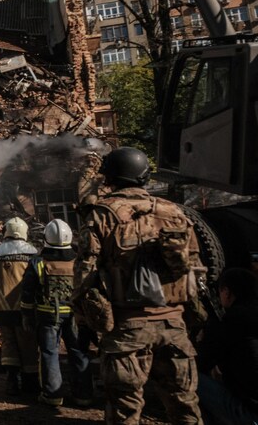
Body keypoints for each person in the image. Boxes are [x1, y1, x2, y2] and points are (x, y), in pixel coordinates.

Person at [75, 146, 202, 424]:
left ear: (109, 177)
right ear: (144, 175)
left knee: (124, 410)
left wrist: (86, 317)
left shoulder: (102, 214)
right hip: (174, 327)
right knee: (185, 406)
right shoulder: (175, 212)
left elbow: (85, 273)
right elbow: (194, 269)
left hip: (126, 328)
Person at [19, 218, 89, 407]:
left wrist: (26, 315)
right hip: (76, 315)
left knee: (49, 353)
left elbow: (27, 292)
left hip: (47, 315)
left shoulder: (38, 263)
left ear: (46, 238)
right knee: (79, 352)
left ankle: (52, 395)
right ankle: (83, 395)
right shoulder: (78, 261)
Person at [0, 216, 38, 394]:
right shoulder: (34, 254)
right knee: (28, 345)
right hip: (26, 309)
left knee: (8, 344)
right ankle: (31, 384)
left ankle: (12, 381)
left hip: (1, 308)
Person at [196, 268, 258, 425]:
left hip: (250, 414)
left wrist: (205, 338)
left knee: (191, 377)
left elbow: (201, 362)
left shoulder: (232, 320)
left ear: (226, 292)